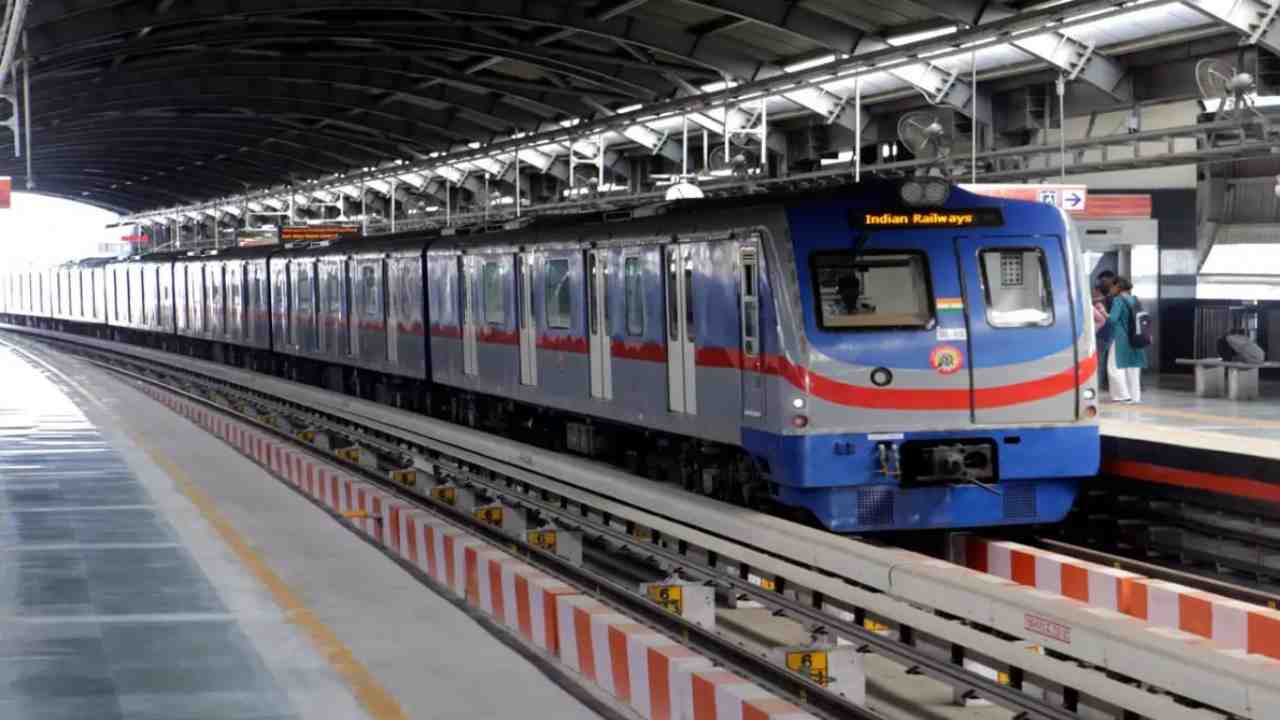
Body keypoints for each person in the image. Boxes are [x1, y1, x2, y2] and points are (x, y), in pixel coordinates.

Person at [1104, 276, 1146, 403]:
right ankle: (1135, 397)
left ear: (1118, 287)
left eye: (1112, 286)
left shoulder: (1118, 300)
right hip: (1136, 337)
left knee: (1114, 367)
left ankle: (1122, 396)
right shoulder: (1135, 300)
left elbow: (1112, 319)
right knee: (1133, 368)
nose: (1110, 289)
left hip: (1121, 338)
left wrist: (1103, 312)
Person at [1094, 270, 1116, 390]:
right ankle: (1100, 384)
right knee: (1103, 362)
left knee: (1098, 362)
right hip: (1111, 335)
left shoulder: (1105, 301)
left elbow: (1104, 319)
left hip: (1103, 334)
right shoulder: (1114, 299)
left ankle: (1096, 384)